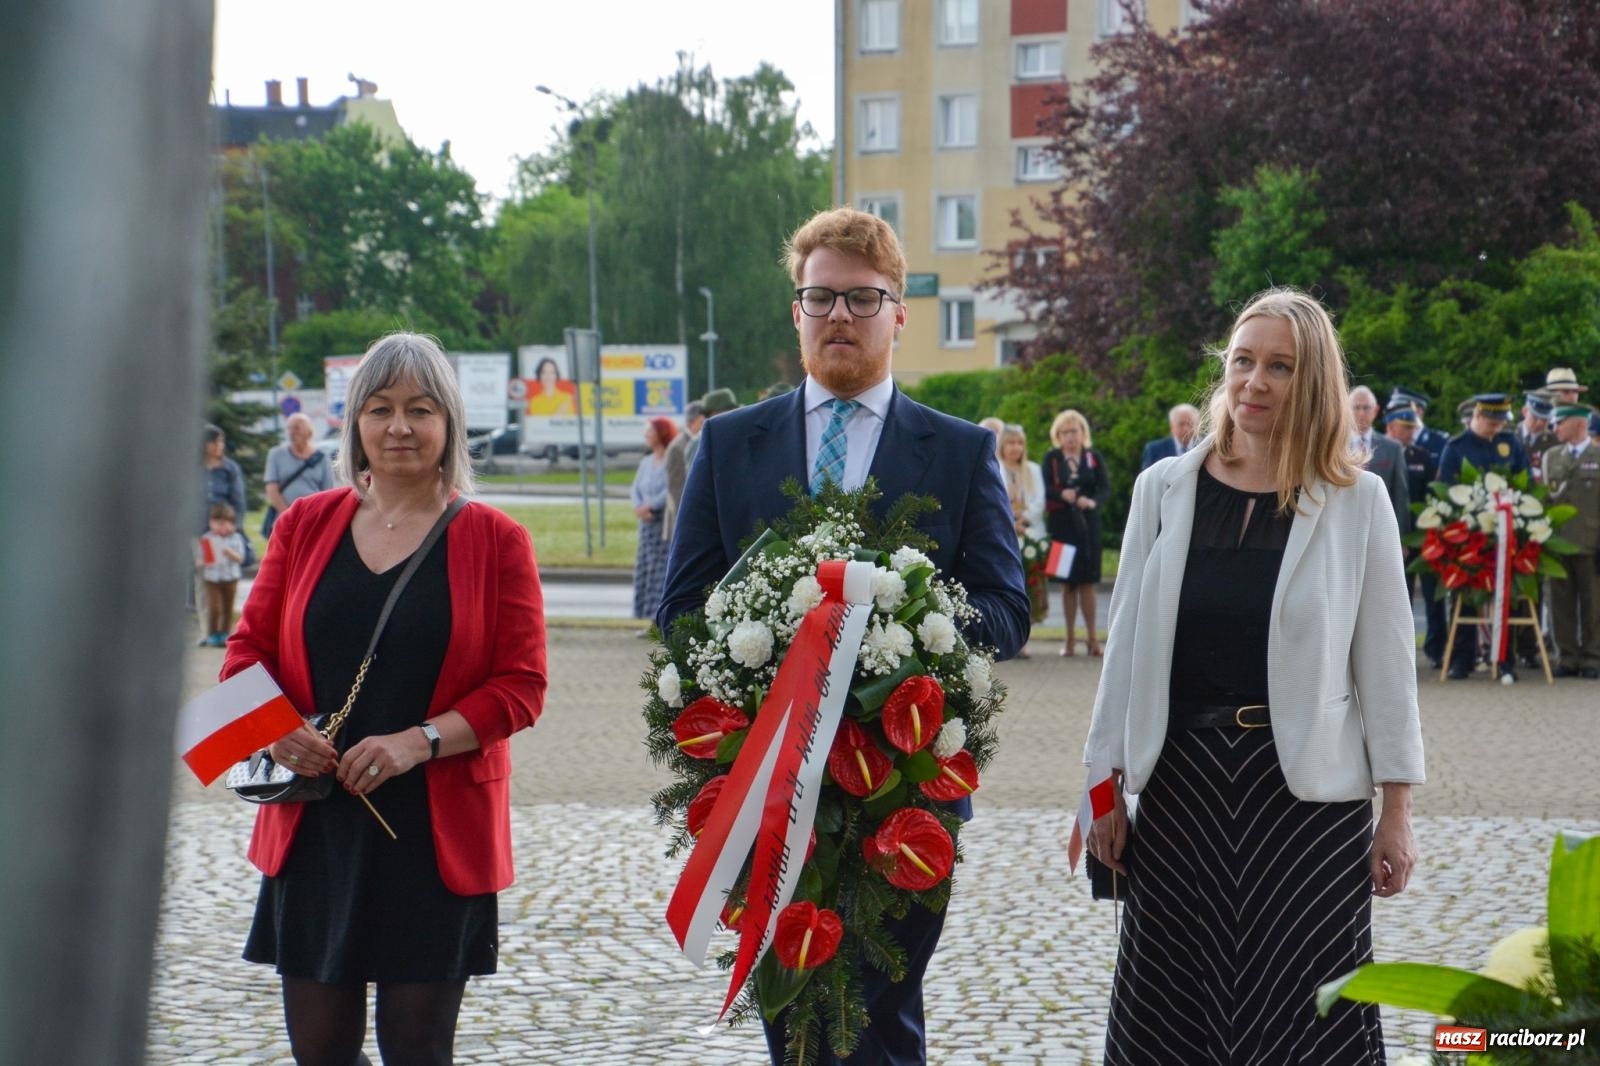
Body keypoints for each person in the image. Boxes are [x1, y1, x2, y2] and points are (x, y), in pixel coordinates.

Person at [657, 206, 1029, 1066]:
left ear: (899, 313)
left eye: (863, 299)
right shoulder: (730, 445)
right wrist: (759, 647)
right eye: (820, 298)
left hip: (903, 790)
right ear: (796, 312)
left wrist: (906, 630)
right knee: (789, 1022)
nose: (840, 317)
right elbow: (680, 610)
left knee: (883, 1022)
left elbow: (1006, 612)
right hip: (763, 786)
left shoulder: (958, 451)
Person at [1083, 288, 1423, 1066]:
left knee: (1310, 1015)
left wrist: (1398, 811)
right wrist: (1102, 792)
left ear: (1314, 381)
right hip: (1181, 792)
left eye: (1280, 366)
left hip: (1309, 806)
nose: (1255, 381)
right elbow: (1124, 651)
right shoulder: (1162, 489)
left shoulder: (1358, 500)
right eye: (1243, 361)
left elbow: (1387, 666)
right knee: (1170, 1013)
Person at [224, 332, 547, 1066]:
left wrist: (416, 742)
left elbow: (522, 688)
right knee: (319, 1050)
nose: (399, 426)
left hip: (434, 835)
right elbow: (244, 653)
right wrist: (273, 727)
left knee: (417, 1049)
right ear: (355, 425)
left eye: (420, 410)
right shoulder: (303, 525)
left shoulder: (497, 539)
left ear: (449, 425)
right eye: (380, 409)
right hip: (314, 825)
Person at [1439, 394, 1531, 680]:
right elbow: (1444, 489)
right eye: (1492, 422)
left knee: (1508, 596)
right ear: (1477, 416)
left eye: (1500, 423)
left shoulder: (1511, 443)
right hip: (1468, 537)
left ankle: (1505, 659)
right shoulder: (1456, 447)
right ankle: (1462, 658)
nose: (1496, 428)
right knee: (1464, 596)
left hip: (1507, 535)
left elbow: (1526, 481)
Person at [1043, 409, 1111, 657]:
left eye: (1074, 431)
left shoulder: (1093, 457)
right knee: (1066, 584)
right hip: (1061, 526)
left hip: (1088, 527)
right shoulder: (1052, 458)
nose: (1070, 436)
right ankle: (1069, 639)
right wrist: (1062, 494)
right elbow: (1044, 488)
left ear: (1083, 433)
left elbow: (1105, 488)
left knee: (1088, 583)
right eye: (1065, 432)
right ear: (1058, 435)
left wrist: (1092, 502)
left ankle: (1093, 639)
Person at [1542, 403, 1600, 678]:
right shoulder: (1552, 457)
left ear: (1579, 423)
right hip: (1557, 542)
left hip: (1590, 542)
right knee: (1559, 604)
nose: (1555, 429)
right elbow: (1545, 498)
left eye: (1560, 423)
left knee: (1593, 604)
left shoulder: (1597, 456)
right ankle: (1566, 656)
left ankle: (1592, 657)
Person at [1386, 403, 1442, 660]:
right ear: (1391, 426)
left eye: (1412, 427)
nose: (1411, 432)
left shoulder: (1422, 456)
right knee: (1399, 597)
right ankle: (1397, 651)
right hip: (1396, 536)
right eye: (1405, 427)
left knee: (1433, 594)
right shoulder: (1381, 453)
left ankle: (1436, 648)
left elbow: (1433, 493)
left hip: (1424, 536)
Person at [631, 415, 676, 626]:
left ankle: (659, 619)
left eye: (650, 431)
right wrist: (639, 507)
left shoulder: (671, 459)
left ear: (661, 433)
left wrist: (651, 506)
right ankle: (648, 616)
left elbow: (671, 489)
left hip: (662, 523)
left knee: (660, 571)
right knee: (646, 569)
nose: (646, 435)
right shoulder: (646, 462)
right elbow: (635, 488)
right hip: (645, 525)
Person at [1350, 385, 1410, 534]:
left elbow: (1400, 495)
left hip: (1382, 529)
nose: (1361, 413)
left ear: (1375, 410)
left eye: (1366, 408)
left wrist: (1402, 538)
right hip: (1344, 529)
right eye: (1356, 407)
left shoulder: (1393, 448)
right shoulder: (1334, 447)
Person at [263, 412, 334, 538]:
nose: (292, 432)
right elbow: (271, 489)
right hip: (285, 519)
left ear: (308, 432)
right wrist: (288, 515)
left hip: (313, 520)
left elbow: (328, 492)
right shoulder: (276, 454)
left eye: (296, 428)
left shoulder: (322, 458)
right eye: (289, 428)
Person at [196, 501, 246, 647]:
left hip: (231, 578)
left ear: (232, 524)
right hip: (212, 578)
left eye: (224, 523)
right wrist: (203, 561)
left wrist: (228, 551)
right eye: (216, 523)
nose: (220, 527)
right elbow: (200, 559)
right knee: (214, 607)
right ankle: (212, 633)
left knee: (227, 607)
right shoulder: (207, 538)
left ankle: (225, 633)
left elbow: (240, 558)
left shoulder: (236, 538)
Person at [660, 400, 705, 545]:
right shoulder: (677, 447)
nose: (705, 425)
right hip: (683, 522)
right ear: (691, 423)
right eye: (702, 422)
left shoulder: (700, 442)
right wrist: (687, 521)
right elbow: (676, 489)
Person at [1390, 387, 1447, 465]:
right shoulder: (1389, 440)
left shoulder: (1440, 442)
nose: (1395, 413)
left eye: (1401, 408)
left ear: (1419, 411)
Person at [1138, 403, 1199, 470]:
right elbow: (1147, 476)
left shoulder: (1204, 447)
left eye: (1190, 424)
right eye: (1181, 424)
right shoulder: (1154, 450)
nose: (1186, 429)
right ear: (1172, 426)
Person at [1517, 393, 1558, 483]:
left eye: (1545, 419)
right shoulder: (1510, 437)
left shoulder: (1555, 441)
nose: (1540, 423)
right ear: (1525, 411)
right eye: (1535, 417)